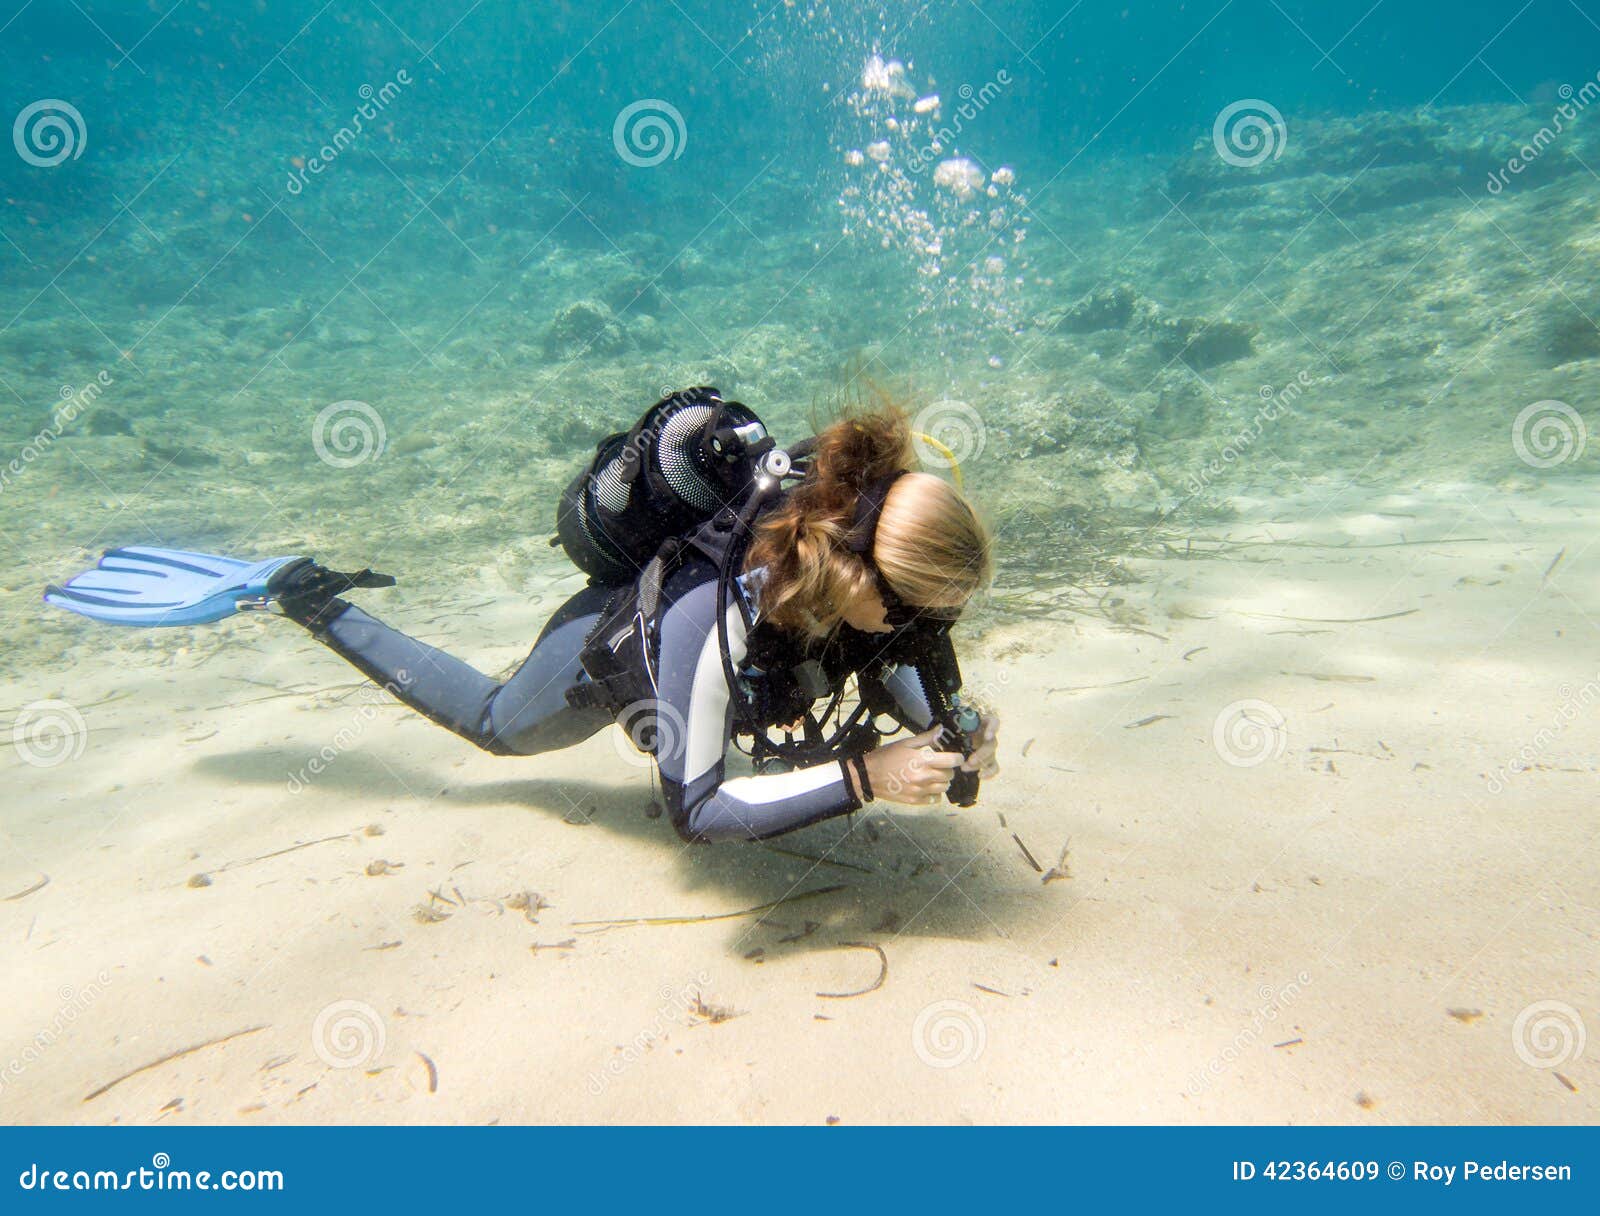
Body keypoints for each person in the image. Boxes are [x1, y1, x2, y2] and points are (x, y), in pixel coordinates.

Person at [47, 395, 1001, 842]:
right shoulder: (714, 614)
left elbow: (897, 651)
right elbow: (700, 810)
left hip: (747, 637)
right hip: (613, 648)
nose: (920, 629)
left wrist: (943, 727)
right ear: (849, 568)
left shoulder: (862, 550)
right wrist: (867, 777)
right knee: (497, 727)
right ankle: (296, 591)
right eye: (914, 610)